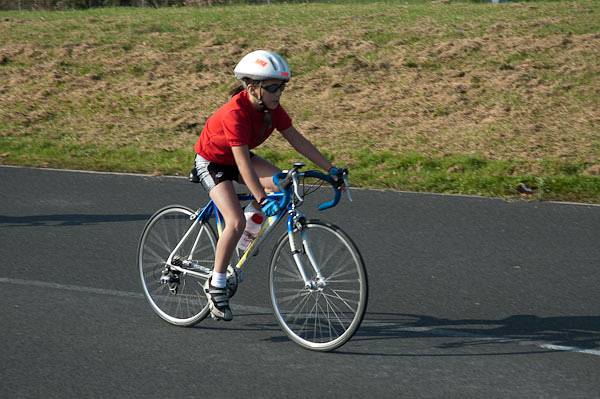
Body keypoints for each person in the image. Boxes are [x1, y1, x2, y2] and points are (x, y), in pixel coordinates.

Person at [193, 50, 344, 321]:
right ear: (252, 87)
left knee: (283, 186)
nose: (278, 94)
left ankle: (241, 243)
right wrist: (260, 196)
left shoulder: (271, 110)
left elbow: (298, 140)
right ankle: (215, 284)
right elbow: (242, 166)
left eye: (282, 88)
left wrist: (330, 168)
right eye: (273, 87)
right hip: (214, 163)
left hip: (240, 158)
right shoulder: (235, 114)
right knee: (236, 221)